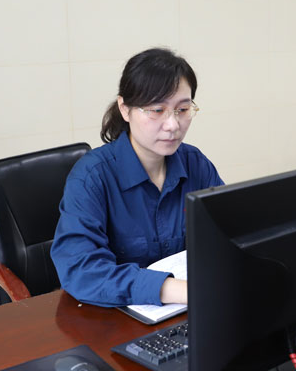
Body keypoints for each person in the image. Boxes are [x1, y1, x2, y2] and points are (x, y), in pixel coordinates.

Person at [51, 47, 224, 307]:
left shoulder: (195, 164)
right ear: (125, 109)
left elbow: (228, 235)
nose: (173, 125)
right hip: (112, 317)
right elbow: (81, 270)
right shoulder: (92, 177)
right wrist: (178, 290)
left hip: (188, 312)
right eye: (157, 109)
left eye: (183, 109)